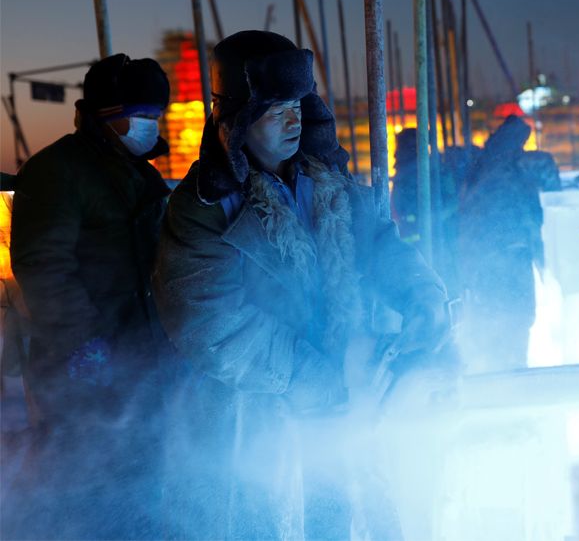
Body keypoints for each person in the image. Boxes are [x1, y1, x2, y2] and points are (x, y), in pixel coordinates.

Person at [152, 30, 452, 540]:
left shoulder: (330, 184)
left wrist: (423, 299)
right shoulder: (203, 209)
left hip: (344, 401)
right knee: (270, 524)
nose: (294, 120)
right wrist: (317, 378)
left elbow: (381, 246)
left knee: (349, 516)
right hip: (259, 419)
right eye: (274, 110)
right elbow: (214, 329)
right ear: (236, 119)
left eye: (297, 104)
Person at [6, 54, 172, 539]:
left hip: (136, 351)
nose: (149, 126)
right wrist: (87, 345)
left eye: (155, 116)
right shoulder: (58, 171)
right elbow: (43, 266)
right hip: (85, 361)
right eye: (140, 115)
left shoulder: (137, 172)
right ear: (105, 114)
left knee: (136, 475)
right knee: (81, 476)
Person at [457, 115, 543, 371]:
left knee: (494, 317)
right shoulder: (511, 172)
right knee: (514, 318)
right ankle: (513, 370)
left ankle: (496, 367)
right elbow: (530, 215)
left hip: (486, 257)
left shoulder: (482, 166)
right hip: (509, 257)